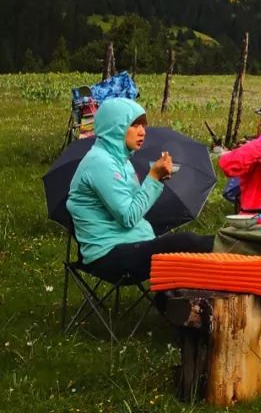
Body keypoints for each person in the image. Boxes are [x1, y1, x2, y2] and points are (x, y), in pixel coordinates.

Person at [66, 98, 213, 283]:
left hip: (131, 244)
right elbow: (128, 217)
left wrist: (157, 180)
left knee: (181, 250)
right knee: (187, 243)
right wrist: (153, 178)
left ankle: (173, 305)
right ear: (115, 127)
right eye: (134, 125)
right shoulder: (99, 163)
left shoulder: (122, 161)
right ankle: (232, 246)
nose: (142, 132)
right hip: (108, 255)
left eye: (143, 125)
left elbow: (134, 205)